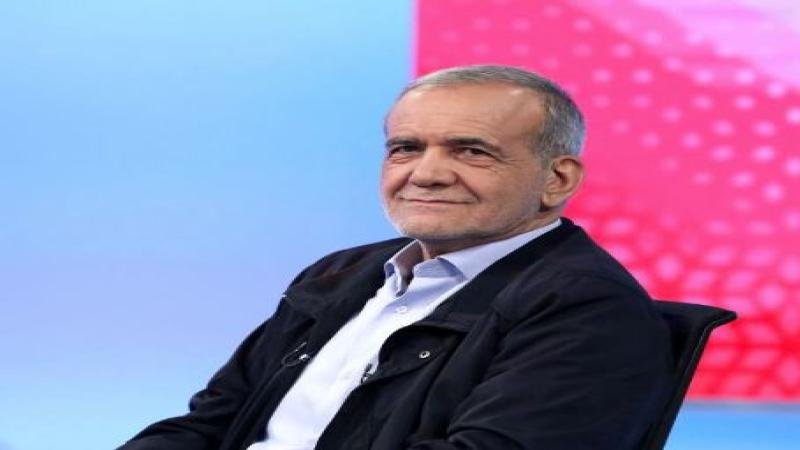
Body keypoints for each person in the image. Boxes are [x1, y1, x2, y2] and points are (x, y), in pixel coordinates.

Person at [118, 65, 672, 450]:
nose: (425, 174)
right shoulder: (339, 275)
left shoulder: (588, 309)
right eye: (406, 148)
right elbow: (210, 423)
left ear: (558, 179)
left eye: (471, 151)